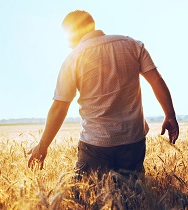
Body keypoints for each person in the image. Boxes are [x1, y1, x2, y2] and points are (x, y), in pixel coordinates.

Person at [27, 10, 179, 176]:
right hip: (133, 141)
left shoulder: (73, 58)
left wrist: (42, 147)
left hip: (95, 145)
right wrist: (170, 115)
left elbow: (59, 107)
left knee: (88, 196)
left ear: (72, 33)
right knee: (132, 196)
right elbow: (156, 80)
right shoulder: (133, 45)